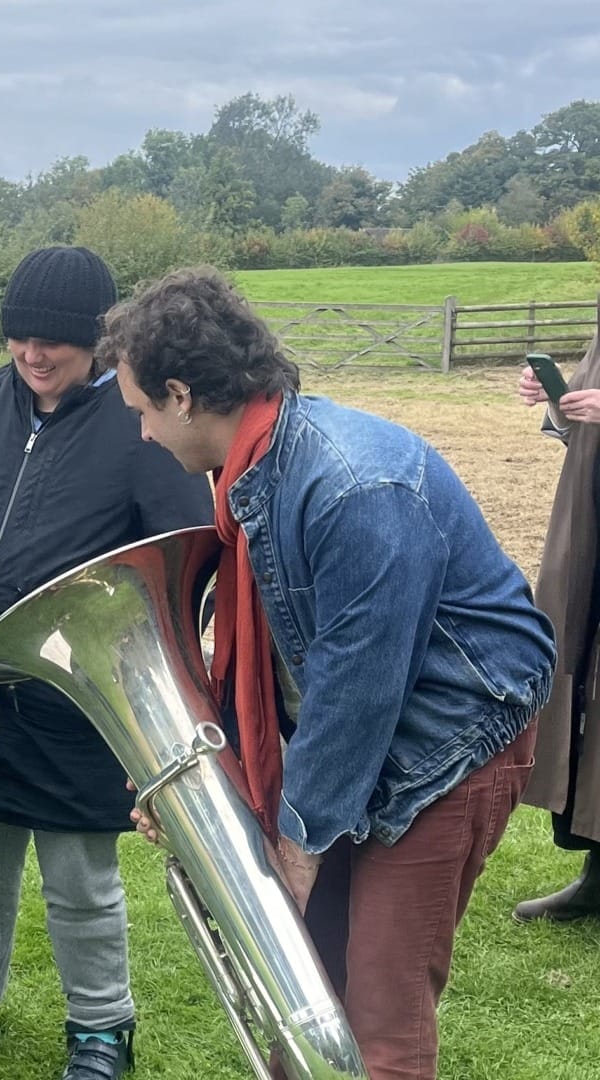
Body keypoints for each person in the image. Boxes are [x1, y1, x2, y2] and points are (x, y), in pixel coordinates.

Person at [107, 267, 555, 1080]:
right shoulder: (252, 473)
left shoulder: (354, 485)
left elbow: (357, 689)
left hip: (442, 753)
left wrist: (297, 844)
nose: (141, 433)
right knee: (301, 989)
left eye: (140, 411)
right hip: (353, 739)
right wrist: (203, 792)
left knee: (378, 1018)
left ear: (179, 394)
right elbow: (286, 666)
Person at [0, 246, 214, 1080]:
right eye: (19, 338)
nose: (33, 356)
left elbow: (184, 565)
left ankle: (102, 1028)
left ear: (99, 342)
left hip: (70, 709)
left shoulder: (139, 428)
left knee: (81, 887)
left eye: (54, 342)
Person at [513, 334, 600, 921]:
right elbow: (578, 427)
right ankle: (597, 873)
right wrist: (555, 400)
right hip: (589, 521)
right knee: (582, 675)